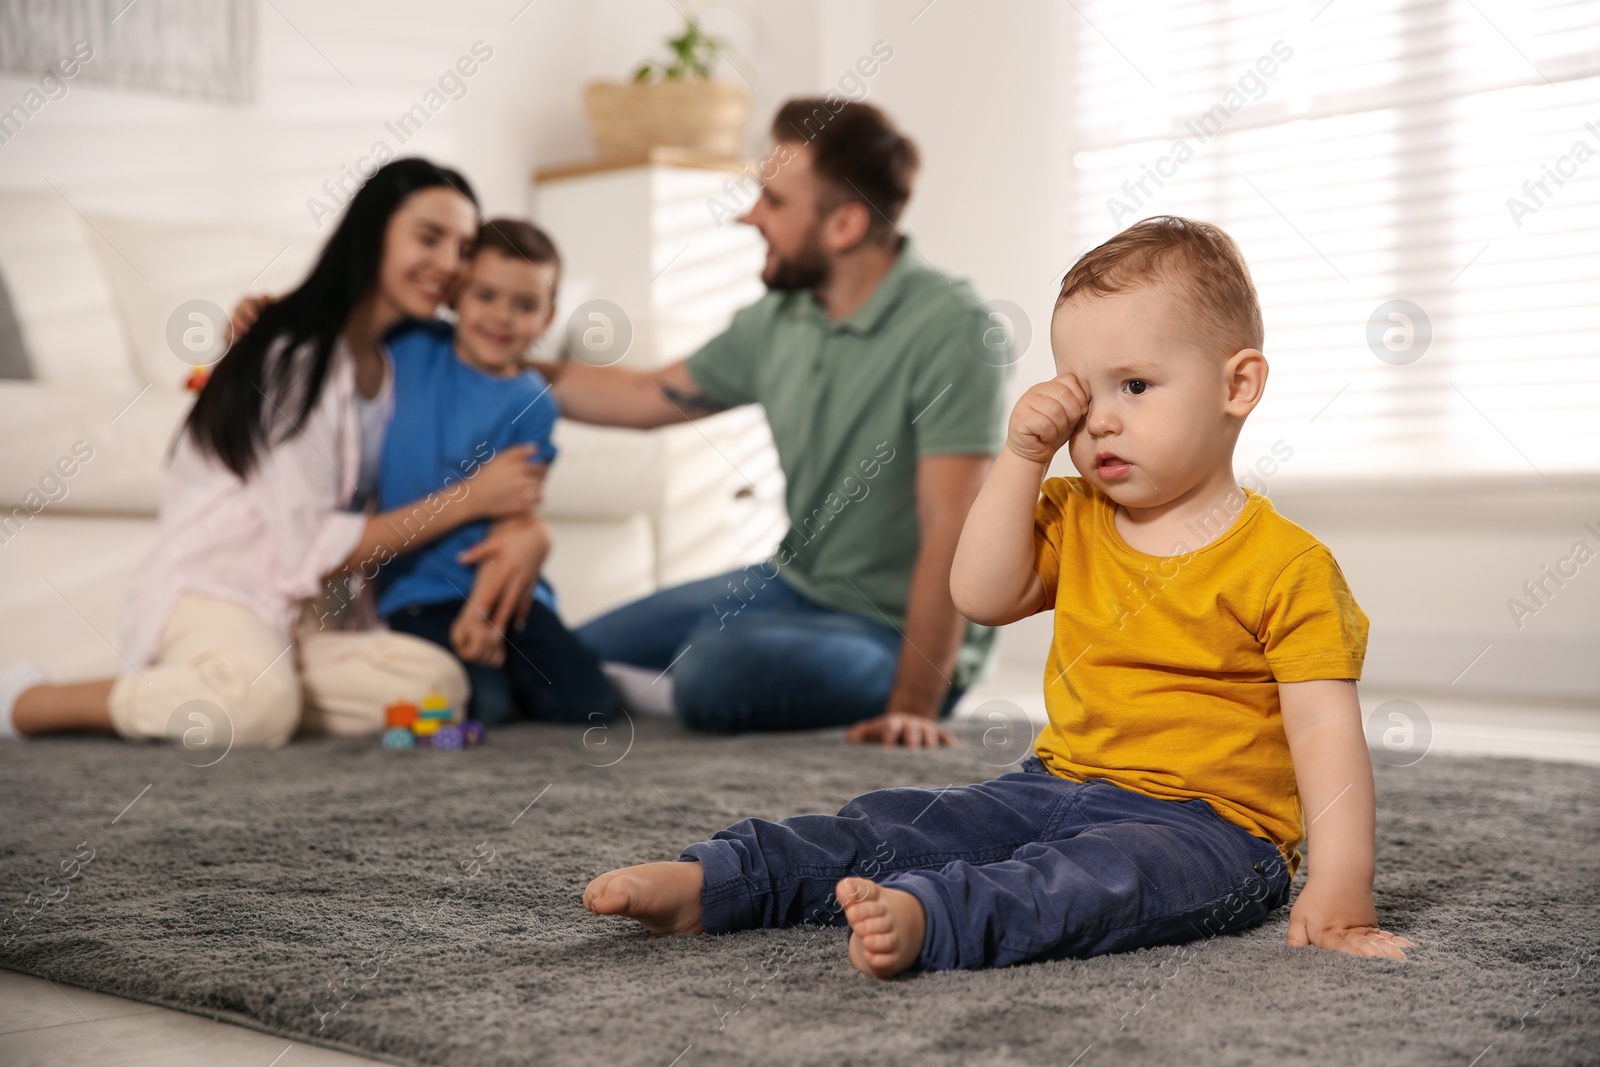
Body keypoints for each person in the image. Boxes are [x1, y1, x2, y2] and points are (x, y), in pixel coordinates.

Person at [581, 216, 1415, 975]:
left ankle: (934, 918)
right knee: (900, 820)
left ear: (1238, 386)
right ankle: (723, 879)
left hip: (1211, 828)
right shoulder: (1075, 514)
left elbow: (1326, 737)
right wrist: (1021, 457)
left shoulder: (1289, 565)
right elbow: (980, 591)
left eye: (1135, 386)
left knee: (1095, 884)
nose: (1099, 423)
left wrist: (1340, 884)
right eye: (1081, 395)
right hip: (1050, 783)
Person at [0, 158, 550, 746]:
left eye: (463, 247)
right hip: (225, 587)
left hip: (305, 614)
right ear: (373, 232)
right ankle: (31, 701)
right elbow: (308, 544)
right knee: (259, 707)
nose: (448, 264)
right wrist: (469, 499)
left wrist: (529, 527)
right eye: (429, 237)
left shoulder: (391, 365)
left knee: (435, 686)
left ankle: (221, 685)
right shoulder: (295, 352)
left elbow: (521, 371)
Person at [542, 99, 1008, 746]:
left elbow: (949, 528)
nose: (748, 214)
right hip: (789, 581)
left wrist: (914, 705)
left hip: (889, 630)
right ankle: (685, 668)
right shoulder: (781, 319)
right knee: (560, 656)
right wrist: (503, 368)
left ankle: (700, 670)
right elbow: (648, 395)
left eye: (773, 201)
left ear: (844, 224)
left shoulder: (953, 329)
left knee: (715, 672)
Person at [378, 218, 614, 727]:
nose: (502, 317)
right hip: (418, 595)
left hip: (503, 591)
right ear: (457, 293)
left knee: (592, 704)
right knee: (484, 705)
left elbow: (513, 519)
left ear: (547, 318)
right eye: (486, 295)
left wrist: (484, 614)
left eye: (524, 305)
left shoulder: (534, 403)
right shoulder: (410, 346)